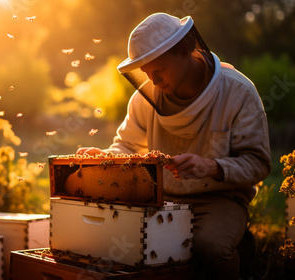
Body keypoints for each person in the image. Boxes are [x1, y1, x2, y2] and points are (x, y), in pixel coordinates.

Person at [77, 13, 271, 279]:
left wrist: (211, 167)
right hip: (160, 199)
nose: (153, 80)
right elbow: (126, 146)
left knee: (210, 247)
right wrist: (105, 157)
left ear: (184, 50)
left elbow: (258, 163)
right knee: (123, 246)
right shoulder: (143, 99)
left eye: (160, 70)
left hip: (220, 199)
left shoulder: (239, 92)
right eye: (146, 72)